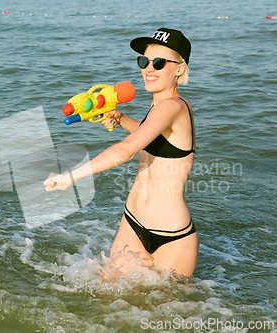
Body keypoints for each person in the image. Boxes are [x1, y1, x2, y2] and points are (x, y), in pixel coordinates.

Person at [44, 28, 198, 279]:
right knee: (105, 301)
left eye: (158, 63)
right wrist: (122, 118)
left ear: (179, 69)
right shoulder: (158, 105)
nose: (149, 69)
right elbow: (155, 137)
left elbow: (126, 150)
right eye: (143, 61)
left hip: (173, 237)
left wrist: (69, 178)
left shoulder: (173, 106)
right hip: (133, 222)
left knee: (166, 314)